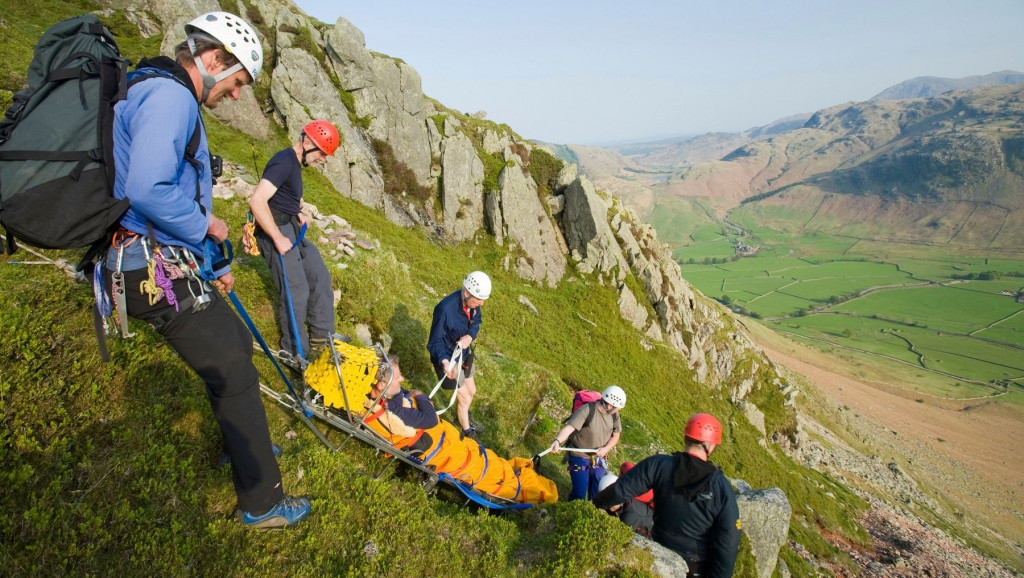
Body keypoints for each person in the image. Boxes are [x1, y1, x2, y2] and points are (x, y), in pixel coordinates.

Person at [103, 11, 309, 528]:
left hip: (160, 261)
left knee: (235, 345)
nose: (236, 95)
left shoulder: (160, 90)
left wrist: (199, 256)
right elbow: (148, 189)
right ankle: (262, 502)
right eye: (238, 81)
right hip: (148, 270)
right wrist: (209, 227)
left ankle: (241, 448)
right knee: (235, 368)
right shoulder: (172, 97)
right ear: (213, 59)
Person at [593, 414, 741, 577]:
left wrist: (591, 507)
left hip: (659, 554)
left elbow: (620, 490)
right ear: (711, 446)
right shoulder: (721, 487)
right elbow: (729, 541)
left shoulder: (659, 465)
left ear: (686, 438)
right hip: (695, 566)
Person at [248, 120, 340, 369]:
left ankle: (323, 336)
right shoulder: (283, 161)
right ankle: (294, 352)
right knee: (296, 290)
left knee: (319, 274)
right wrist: (277, 238)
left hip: (292, 226)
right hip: (276, 231)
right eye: (322, 153)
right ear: (307, 143)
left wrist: (298, 212)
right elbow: (257, 201)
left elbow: (286, 195)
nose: (323, 159)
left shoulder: (295, 164)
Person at [426, 271, 490, 439]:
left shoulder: (473, 306)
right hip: (446, 359)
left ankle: (462, 415)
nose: (482, 303)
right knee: (465, 397)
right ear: (467, 293)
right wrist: (445, 362)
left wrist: (469, 336)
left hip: (463, 354)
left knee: (472, 390)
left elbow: (476, 323)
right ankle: (467, 432)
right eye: (479, 299)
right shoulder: (445, 310)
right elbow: (434, 343)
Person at [549, 385, 626, 500]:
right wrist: (557, 441)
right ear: (609, 405)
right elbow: (569, 428)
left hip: (599, 456)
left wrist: (605, 449)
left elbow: (616, 436)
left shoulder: (614, 415)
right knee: (579, 493)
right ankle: (570, 512)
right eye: (617, 407)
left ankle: (591, 512)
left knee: (597, 492)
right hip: (579, 456)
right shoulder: (587, 410)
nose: (618, 410)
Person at [364, 354, 439, 454]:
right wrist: (420, 396)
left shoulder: (386, 393)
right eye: (397, 378)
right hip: (439, 445)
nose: (402, 379)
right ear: (381, 385)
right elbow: (431, 419)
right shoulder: (392, 409)